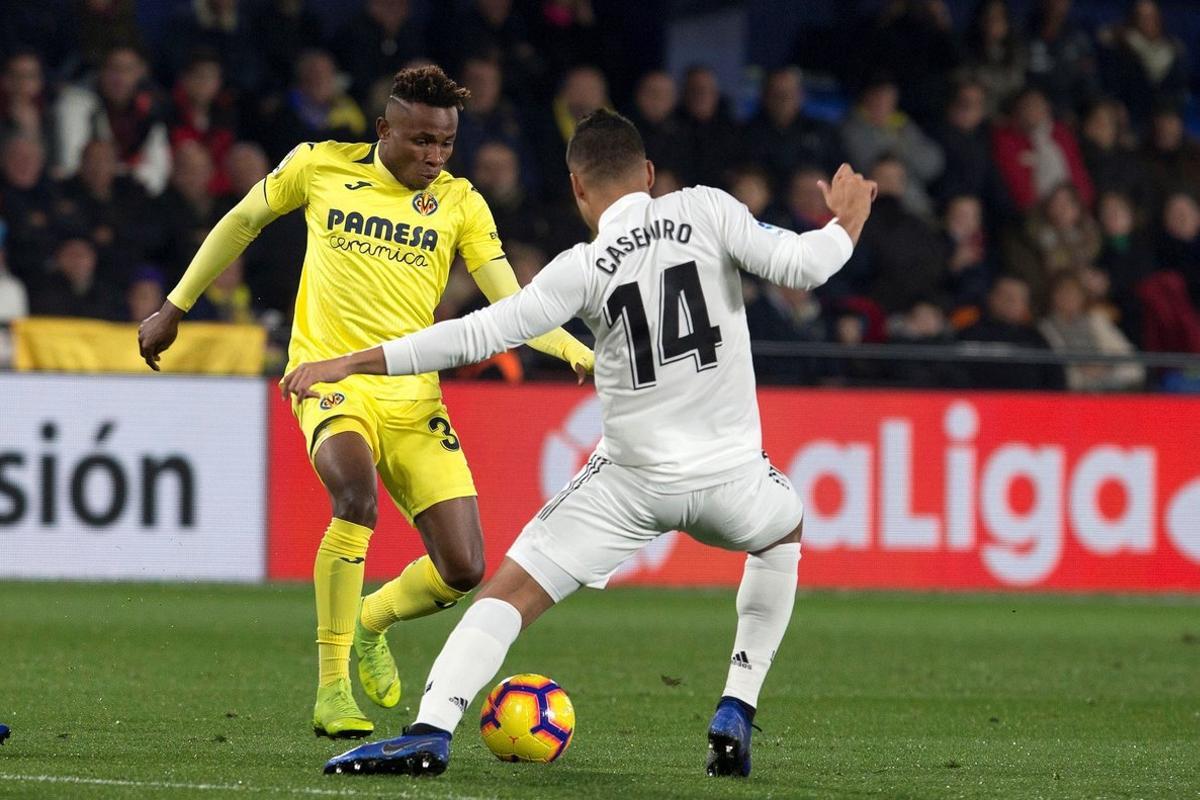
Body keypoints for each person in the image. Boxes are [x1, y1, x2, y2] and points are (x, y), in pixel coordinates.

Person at [280, 109, 876, 778]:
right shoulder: (709, 210)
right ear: (648, 175)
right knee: (782, 531)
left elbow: (477, 334)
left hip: (631, 484)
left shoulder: (584, 265)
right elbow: (805, 265)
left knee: (506, 594)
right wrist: (847, 217)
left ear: (577, 190)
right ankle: (737, 702)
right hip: (733, 477)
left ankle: (430, 729)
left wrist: (350, 362)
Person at [137, 65, 593, 740]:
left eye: (445, 143)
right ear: (383, 129)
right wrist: (176, 306)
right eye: (420, 141)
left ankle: (373, 622)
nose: (434, 157)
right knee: (355, 496)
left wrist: (578, 353)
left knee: (465, 567)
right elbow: (241, 222)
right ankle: (332, 688)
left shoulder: (462, 202)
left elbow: (512, 298)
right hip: (328, 379)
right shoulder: (319, 166)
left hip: (414, 396)